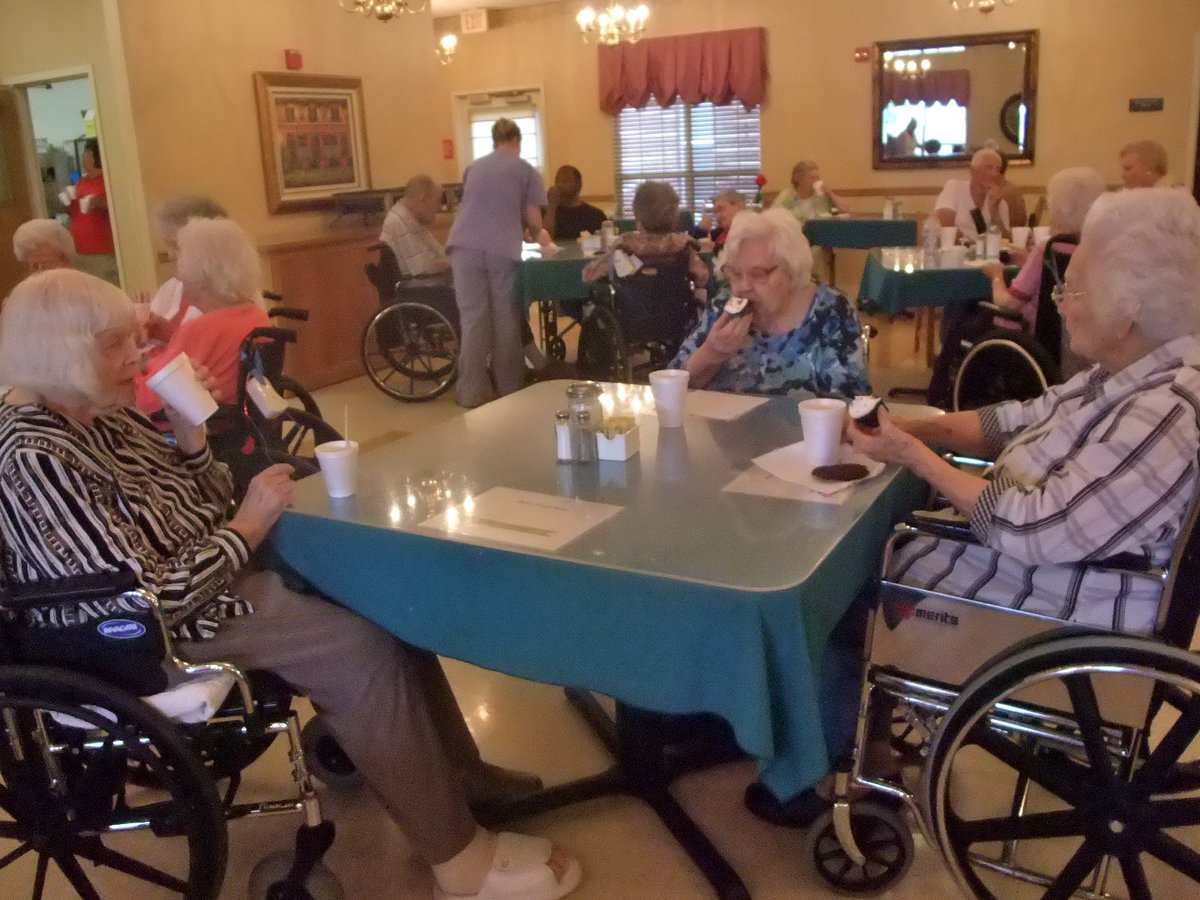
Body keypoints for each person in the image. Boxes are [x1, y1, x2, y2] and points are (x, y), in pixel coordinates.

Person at [0, 268, 584, 900]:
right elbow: (151, 597)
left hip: (211, 573)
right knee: (358, 649)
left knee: (384, 591)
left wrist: (192, 438)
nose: (136, 357)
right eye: (114, 345)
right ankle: (457, 859)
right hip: (148, 629)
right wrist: (246, 528)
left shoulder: (99, 414)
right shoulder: (36, 455)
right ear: (62, 354)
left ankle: (458, 776)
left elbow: (201, 497)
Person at [751, 187, 1200, 829]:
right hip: (1039, 577)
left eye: (1072, 290)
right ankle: (870, 740)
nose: (1057, 302)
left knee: (838, 600)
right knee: (859, 564)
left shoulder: (1164, 416)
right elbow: (1015, 420)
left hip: (1047, 614)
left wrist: (914, 456)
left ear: (1127, 315)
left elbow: (1032, 526)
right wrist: (915, 424)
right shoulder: (1128, 376)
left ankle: (824, 765)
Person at [669, 208, 869, 398]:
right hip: (726, 432)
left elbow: (851, 402)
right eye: (735, 274)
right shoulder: (725, 303)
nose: (743, 286)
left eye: (758, 275)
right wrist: (712, 353)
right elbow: (670, 385)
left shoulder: (831, 310)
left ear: (792, 270)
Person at [446, 118, 550, 408]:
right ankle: (509, 388)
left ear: (494, 141)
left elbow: (476, 206)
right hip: (501, 249)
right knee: (506, 319)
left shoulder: (474, 168)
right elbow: (533, 220)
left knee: (473, 322)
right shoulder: (526, 170)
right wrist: (537, 233)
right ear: (518, 141)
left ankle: (470, 391)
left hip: (462, 247)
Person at [135, 217, 272, 416]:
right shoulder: (255, 314)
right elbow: (213, 352)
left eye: (181, 266)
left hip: (195, 423)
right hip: (241, 417)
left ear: (201, 275)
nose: (181, 279)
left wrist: (134, 365)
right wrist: (170, 335)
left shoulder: (199, 328)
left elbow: (149, 400)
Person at [980, 167, 1105, 333]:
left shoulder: (1049, 248)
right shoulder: (1098, 247)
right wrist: (1029, 261)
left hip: (1029, 337)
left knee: (965, 318)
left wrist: (996, 276)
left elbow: (1009, 303)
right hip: (1075, 337)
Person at [581, 180, 709, 288]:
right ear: (674, 217)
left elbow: (589, 276)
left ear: (638, 217)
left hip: (631, 314)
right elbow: (703, 278)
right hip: (677, 313)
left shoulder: (625, 244)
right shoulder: (683, 244)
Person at [143, 195, 230, 347]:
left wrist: (171, 336)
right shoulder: (173, 286)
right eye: (168, 245)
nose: (170, 255)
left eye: (176, 245)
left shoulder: (228, 294)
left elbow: (217, 358)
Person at [771, 162, 848, 283]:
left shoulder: (821, 196)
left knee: (818, 249)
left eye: (818, 177)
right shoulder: (787, 196)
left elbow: (845, 209)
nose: (817, 181)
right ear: (799, 179)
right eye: (812, 178)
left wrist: (830, 193)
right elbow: (773, 218)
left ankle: (812, 282)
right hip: (793, 241)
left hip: (819, 240)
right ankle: (805, 280)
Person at [380, 174, 452, 277]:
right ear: (423, 200)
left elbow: (439, 253)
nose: (440, 207)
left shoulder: (410, 219)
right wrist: (455, 263)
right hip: (417, 287)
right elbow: (425, 267)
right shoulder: (400, 222)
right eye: (438, 201)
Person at [69, 138, 118, 285]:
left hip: (103, 251)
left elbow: (118, 209)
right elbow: (73, 212)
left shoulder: (109, 180)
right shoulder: (81, 182)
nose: (84, 157)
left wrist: (100, 203)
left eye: (87, 153)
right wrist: (68, 203)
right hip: (80, 250)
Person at [934, 147, 1010, 240]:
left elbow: (1005, 241)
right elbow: (946, 226)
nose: (994, 173)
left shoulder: (1000, 203)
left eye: (998, 169)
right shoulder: (955, 188)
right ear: (973, 170)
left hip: (987, 253)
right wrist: (973, 246)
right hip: (954, 251)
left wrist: (994, 211)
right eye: (989, 167)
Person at [544, 165, 606, 241]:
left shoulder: (596, 215)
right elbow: (544, 240)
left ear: (579, 185)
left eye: (566, 180)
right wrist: (551, 206)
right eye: (557, 180)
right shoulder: (548, 214)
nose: (559, 184)